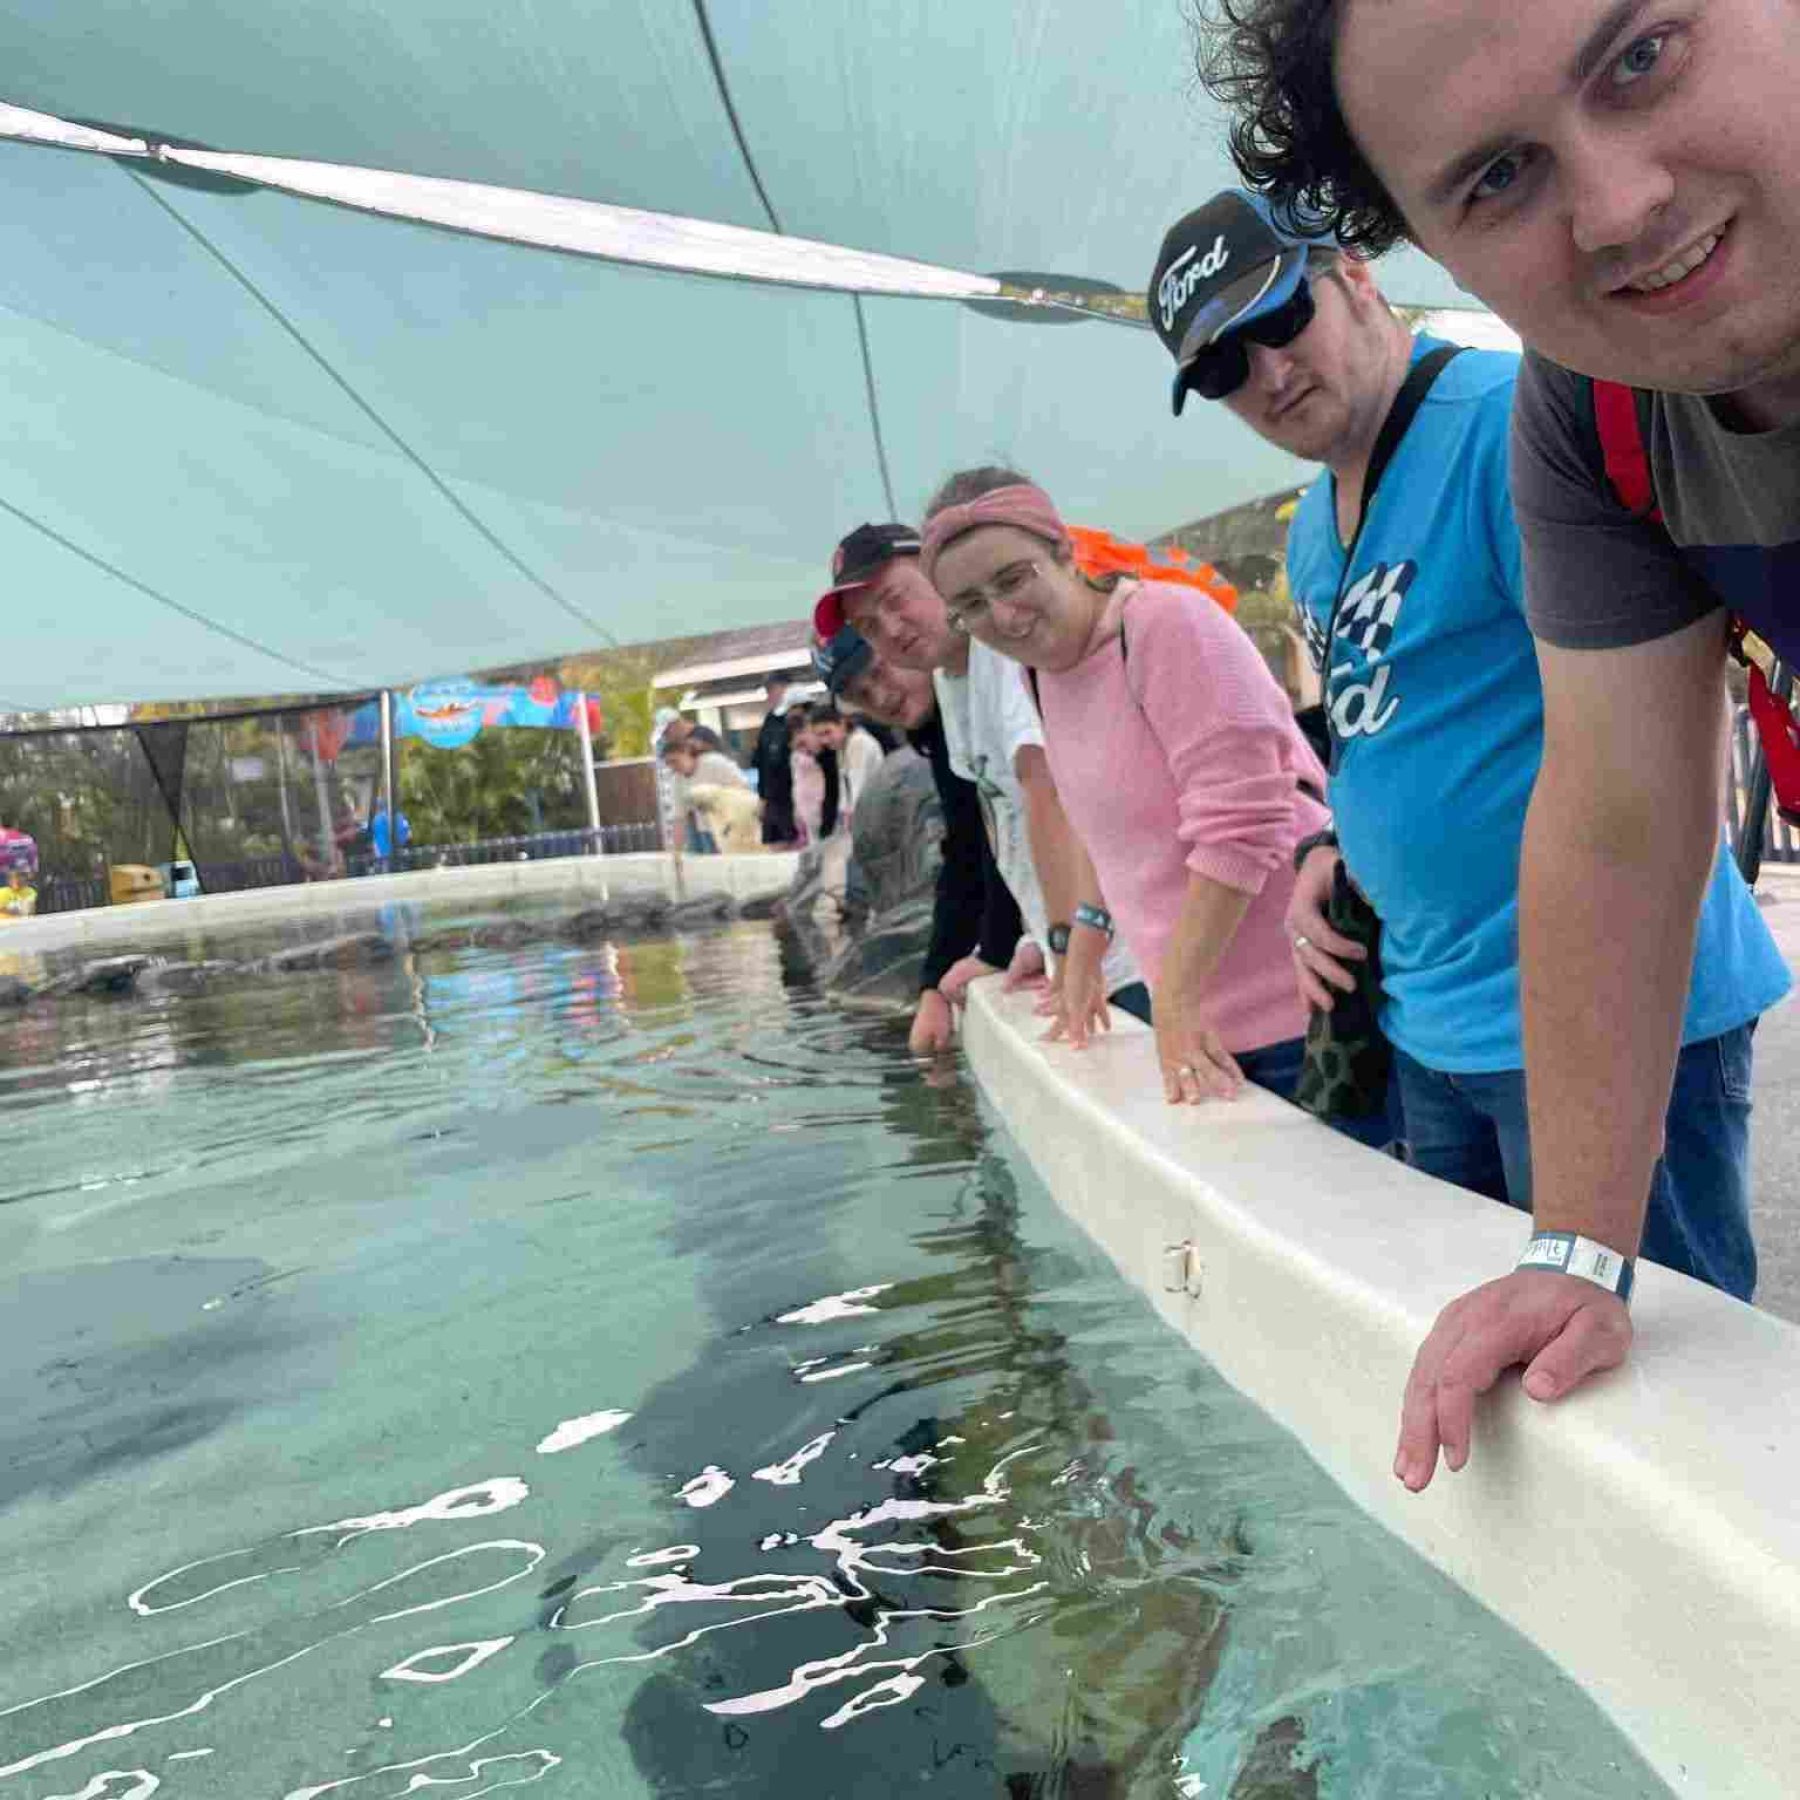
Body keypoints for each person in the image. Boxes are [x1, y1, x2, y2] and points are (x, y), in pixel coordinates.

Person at [1200, 0, 1800, 1488]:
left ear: (1355, 282)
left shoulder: (1480, 422)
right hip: (1450, 1019)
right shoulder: (1589, 412)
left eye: (1644, 55)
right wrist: (1577, 1245)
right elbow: (1614, 804)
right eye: (1494, 181)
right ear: (1424, 237)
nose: (1623, 204)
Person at [1148, 186, 1787, 1287]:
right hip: (1431, 1023)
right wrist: (1327, 850)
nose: (1265, 373)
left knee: (1642, 1389)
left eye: (1277, 320)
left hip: (1602, 1028)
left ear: (1353, 273)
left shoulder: (1505, 428)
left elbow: (1652, 726)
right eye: (1220, 368)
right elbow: (1386, 728)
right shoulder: (1312, 520)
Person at [922, 470, 1367, 1134]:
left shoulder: (1163, 624)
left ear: (1065, 551)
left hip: (1306, 1013)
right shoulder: (1042, 672)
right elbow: (1112, 832)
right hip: (1211, 1027)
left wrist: (1177, 1002)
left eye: (1014, 579)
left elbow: (1242, 825)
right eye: (972, 605)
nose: (1002, 616)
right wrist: (1085, 948)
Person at [817, 520, 1146, 1022]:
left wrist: (1069, 945)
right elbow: (994, 824)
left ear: (938, 572)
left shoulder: (1002, 652)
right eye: (868, 626)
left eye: (895, 599)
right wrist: (1027, 939)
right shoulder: (952, 676)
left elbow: (1048, 794)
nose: (892, 630)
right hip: (1089, 953)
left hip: (1126, 956)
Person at [813, 615, 1025, 1056]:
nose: (880, 696)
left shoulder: (987, 684)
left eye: (878, 672)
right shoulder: (938, 727)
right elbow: (968, 850)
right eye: (860, 696)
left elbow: (1006, 830)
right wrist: (933, 985)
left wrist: (997, 948)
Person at [660, 735, 754, 855]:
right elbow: (679, 818)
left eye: (674, 761)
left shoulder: (715, 763)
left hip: (736, 828)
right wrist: (676, 853)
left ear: (686, 752)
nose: (672, 767)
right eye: (668, 764)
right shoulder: (677, 781)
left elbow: (743, 788)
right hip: (707, 832)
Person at [750, 676, 798, 846]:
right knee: (775, 846)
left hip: (795, 794)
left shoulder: (800, 716)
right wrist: (762, 797)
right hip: (773, 796)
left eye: (772, 691)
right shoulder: (770, 720)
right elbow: (761, 761)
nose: (769, 696)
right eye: (767, 692)